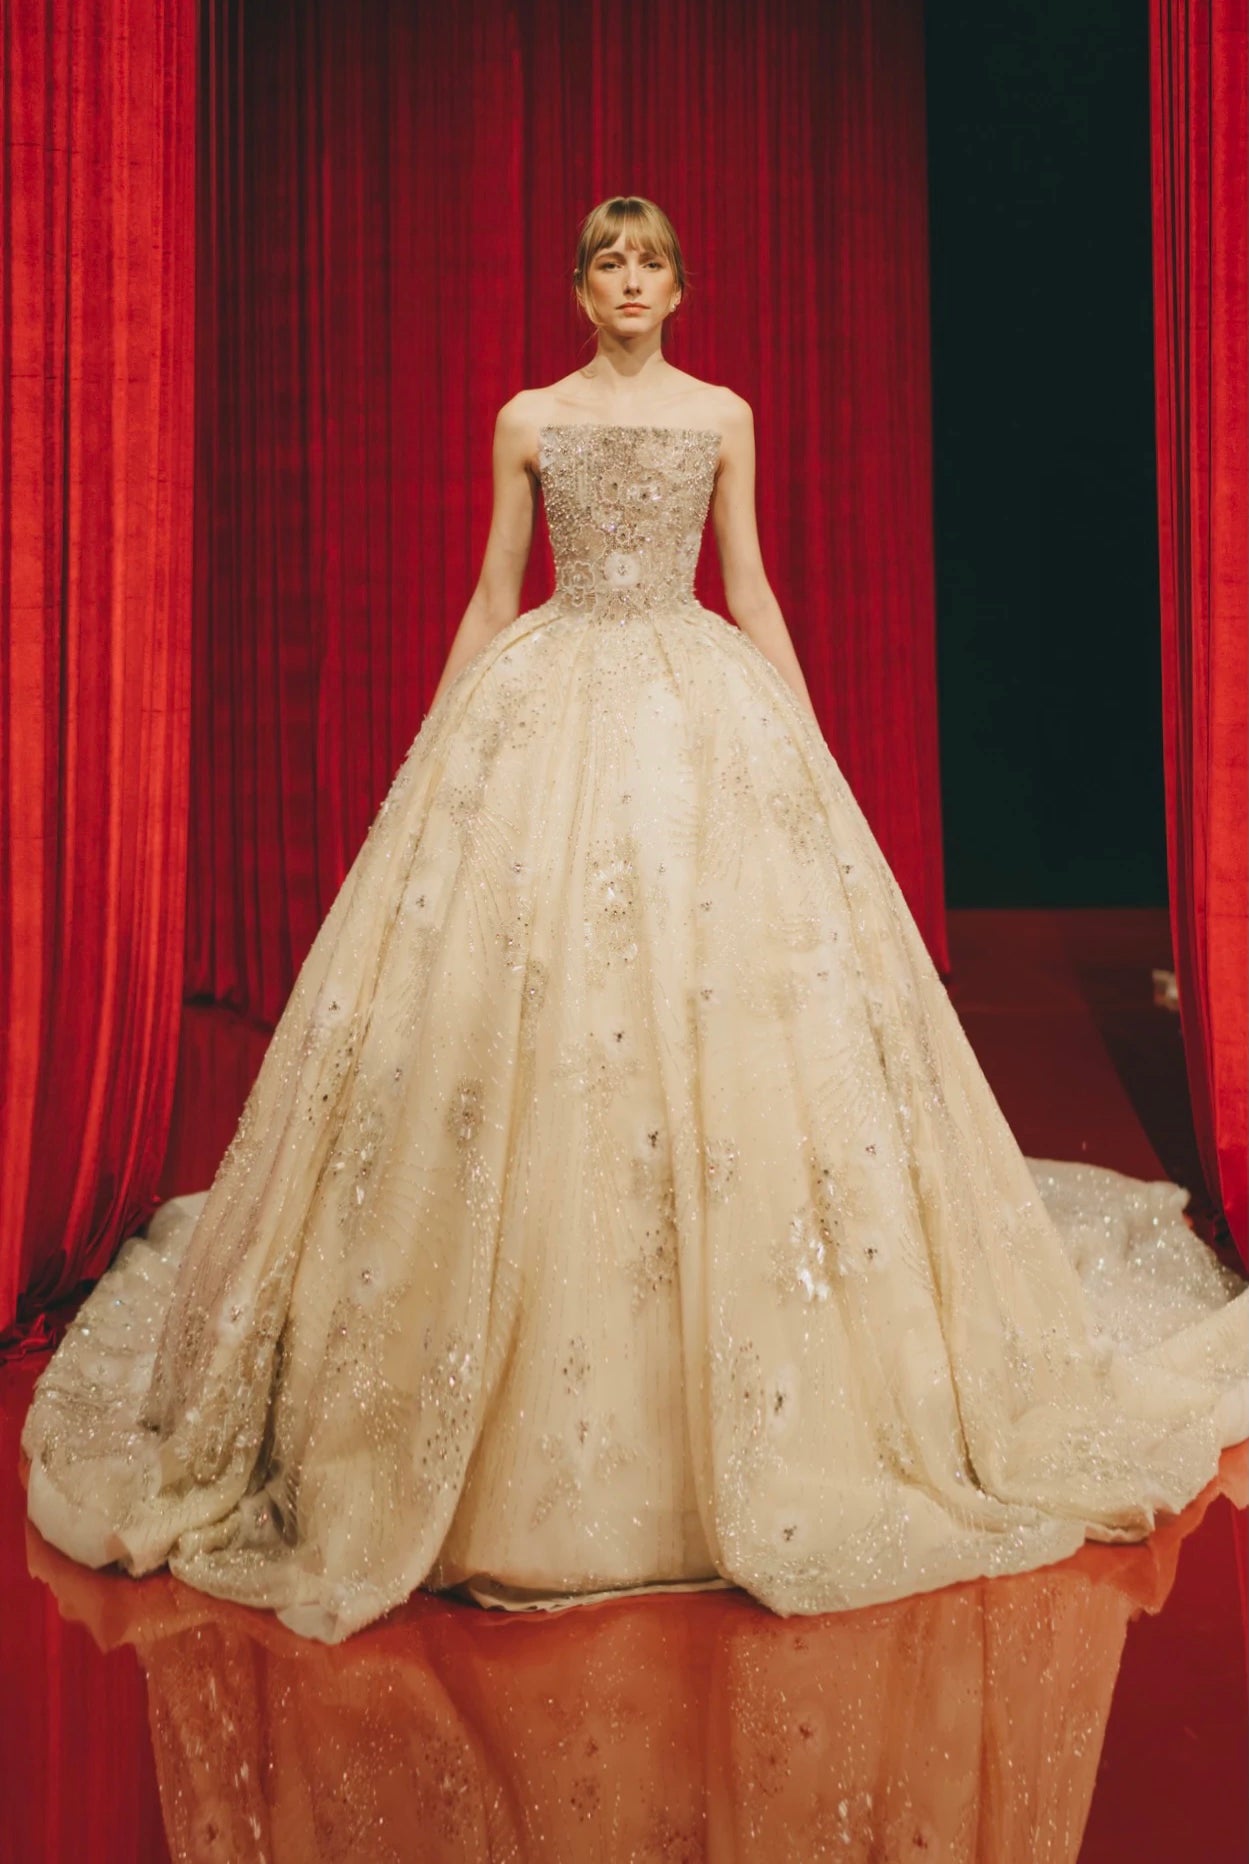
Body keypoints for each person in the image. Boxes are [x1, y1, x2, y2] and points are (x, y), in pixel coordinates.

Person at [22, 196, 1248, 1645]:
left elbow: (751, 585)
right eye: (607, 262)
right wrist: (441, 741)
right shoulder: (529, 418)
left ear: (678, 285)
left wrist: (802, 740)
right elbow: (494, 594)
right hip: (550, 696)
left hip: (692, 696)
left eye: (650, 261)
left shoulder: (721, 416)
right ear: (579, 286)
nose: (628, 280)